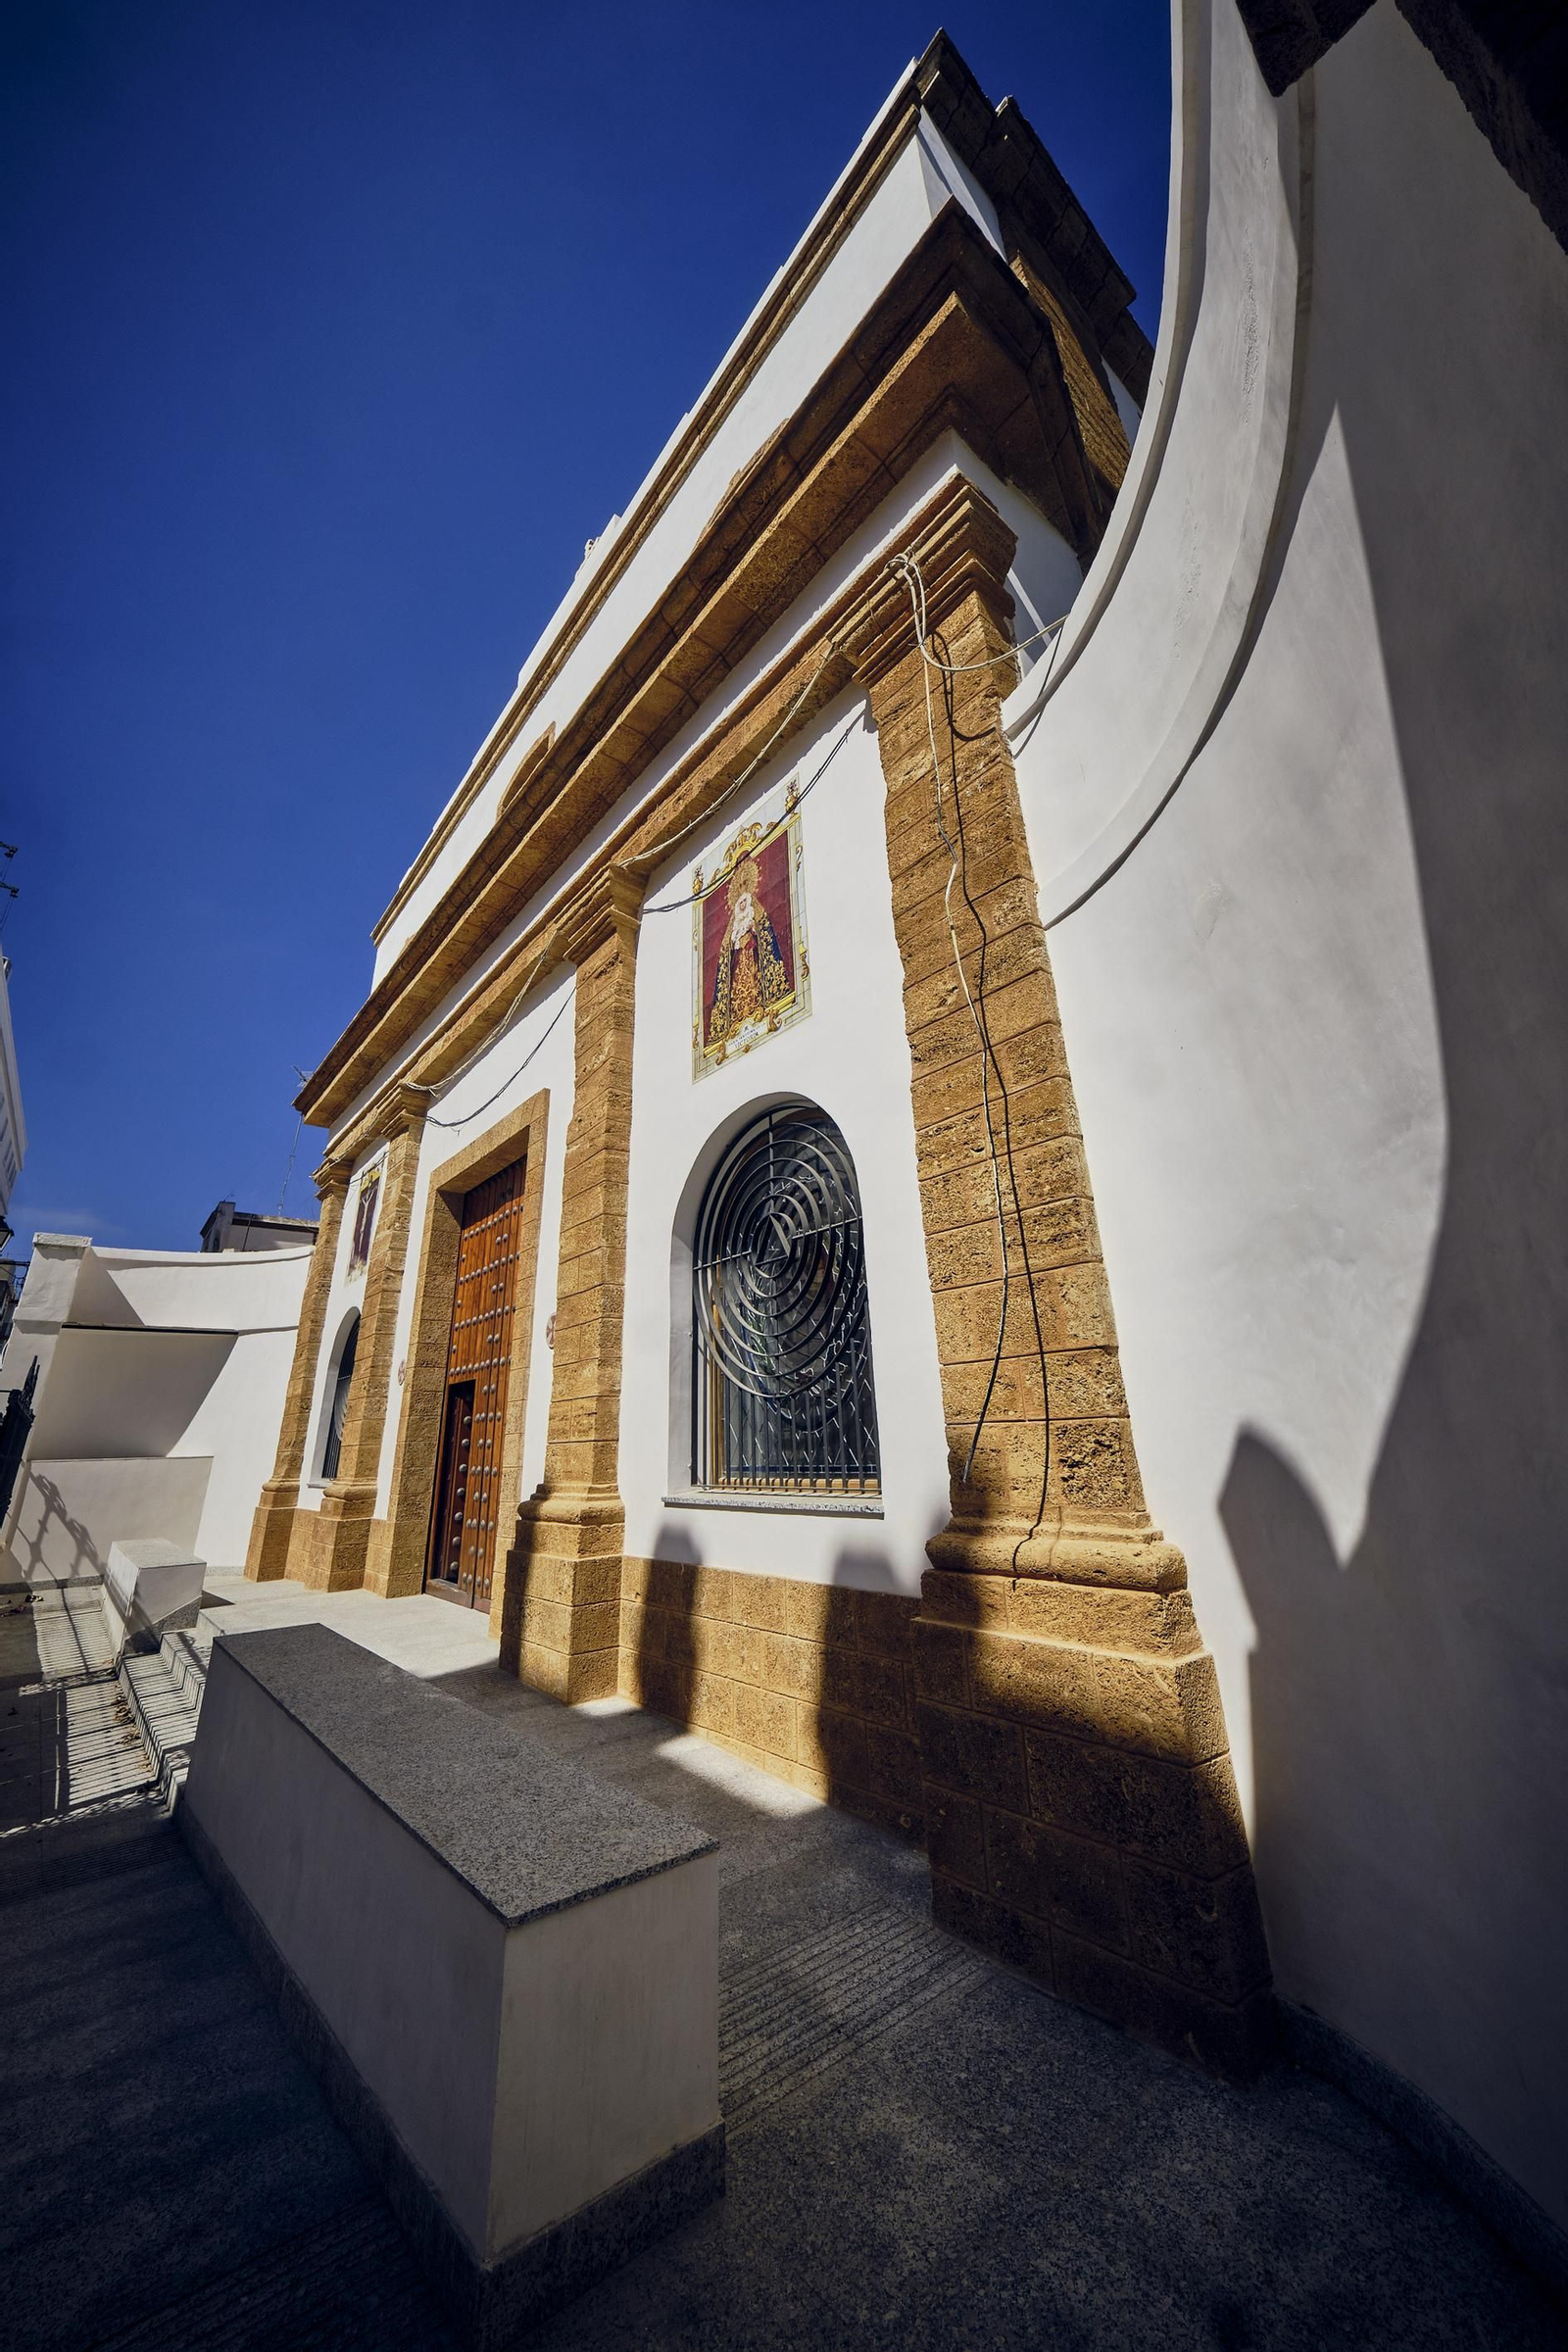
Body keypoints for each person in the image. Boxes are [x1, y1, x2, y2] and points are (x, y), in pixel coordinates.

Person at [709, 854, 790, 1050]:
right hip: (739, 959)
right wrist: (736, 940)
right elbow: (727, 948)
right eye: (741, 903)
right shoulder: (734, 925)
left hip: (752, 953)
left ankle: (761, 1001)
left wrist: (753, 930)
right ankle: (736, 1015)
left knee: (754, 978)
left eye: (745, 901)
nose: (743, 905)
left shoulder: (756, 914)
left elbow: (764, 931)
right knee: (740, 982)